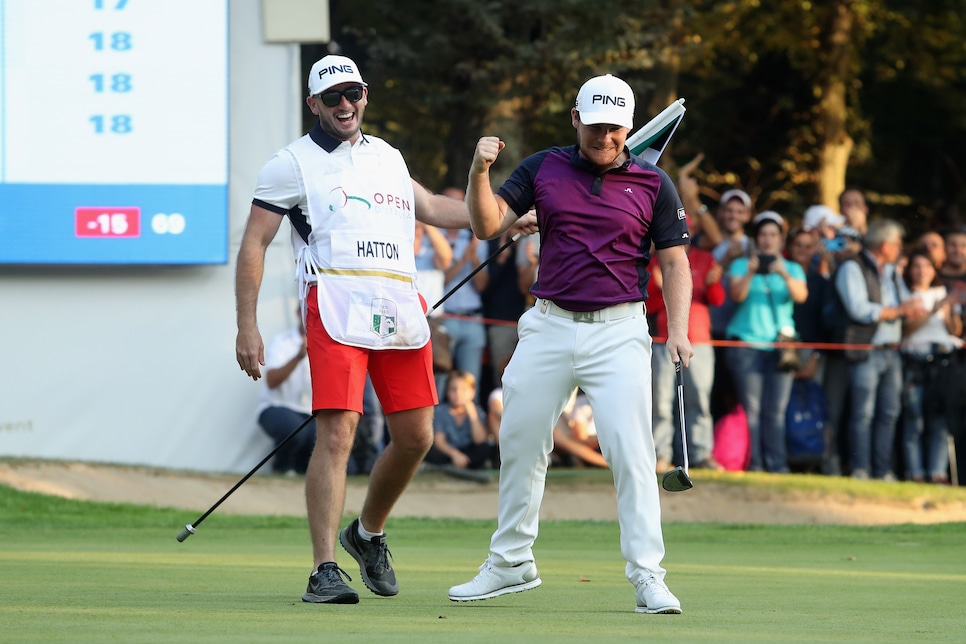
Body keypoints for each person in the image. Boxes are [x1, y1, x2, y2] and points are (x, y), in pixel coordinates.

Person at [234, 54, 536, 605]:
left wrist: (504, 217)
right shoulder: (290, 163)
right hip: (335, 302)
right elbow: (254, 243)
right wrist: (246, 326)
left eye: (352, 93)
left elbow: (435, 208)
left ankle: (366, 534)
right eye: (332, 98)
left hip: (399, 303)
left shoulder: (388, 156)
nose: (344, 104)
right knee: (339, 433)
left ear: (366, 94)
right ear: (313, 105)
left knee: (418, 437)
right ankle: (324, 569)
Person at [448, 73, 693, 614]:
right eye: (595, 126)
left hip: (620, 329)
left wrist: (678, 329)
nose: (605, 137)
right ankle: (511, 562)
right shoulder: (542, 167)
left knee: (630, 454)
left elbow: (675, 260)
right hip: (549, 322)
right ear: (575, 120)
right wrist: (478, 172)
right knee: (518, 438)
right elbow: (487, 226)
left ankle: (648, 575)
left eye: (615, 128)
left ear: (628, 128)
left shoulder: (655, 184)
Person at [833, 219, 926, 479]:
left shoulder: (892, 271)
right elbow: (860, 310)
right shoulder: (852, 267)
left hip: (892, 351)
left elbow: (903, 302)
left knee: (889, 413)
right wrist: (899, 311)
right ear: (885, 246)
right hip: (867, 350)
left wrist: (913, 307)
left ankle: (883, 470)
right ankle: (861, 468)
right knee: (863, 413)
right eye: (897, 244)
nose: (900, 249)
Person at [724, 211, 809, 473]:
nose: (768, 240)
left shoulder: (792, 268)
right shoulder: (741, 265)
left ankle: (777, 464)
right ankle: (756, 463)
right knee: (753, 409)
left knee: (776, 410)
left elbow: (801, 296)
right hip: (747, 346)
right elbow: (737, 295)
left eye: (773, 235)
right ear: (755, 238)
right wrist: (750, 273)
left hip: (780, 348)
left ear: (780, 240)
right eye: (763, 234)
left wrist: (783, 274)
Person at [648, 239, 725, 472]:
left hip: (699, 340)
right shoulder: (655, 260)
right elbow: (648, 306)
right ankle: (661, 454)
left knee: (699, 401)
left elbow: (718, 299)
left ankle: (701, 454)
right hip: (663, 339)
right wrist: (662, 289)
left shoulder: (705, 258)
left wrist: (712, 284)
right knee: (661, 403)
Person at [899, 250, 962, 483]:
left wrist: (949, 311)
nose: (922, 271)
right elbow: (906, 330)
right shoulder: (904, 294)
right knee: (914, 419)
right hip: (914, 363)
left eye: (926, 266)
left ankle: (937, 472)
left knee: (940, 419)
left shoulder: (942, 293)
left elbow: (954, 330)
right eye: (917, 266)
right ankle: (915, 472)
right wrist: (932, 311)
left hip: (942, 363)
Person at [256, 312, 315, 475]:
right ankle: (281, 469)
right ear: (298, 313)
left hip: (309, 412)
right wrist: (298, 357)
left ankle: (302, 474)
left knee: (323, 439)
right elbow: (272, 380)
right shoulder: (281, 342)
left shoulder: (325, 346)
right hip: (276, 407)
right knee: (293, 429)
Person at [424, 370, 499, 470]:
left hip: (468, 450)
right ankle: (457, 464)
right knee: (430, 452)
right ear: (447, 392)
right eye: (453, 389)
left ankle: (462, 463)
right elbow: (440, 442)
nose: (458, 394)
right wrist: (455, 454)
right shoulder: (440, 411)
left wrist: (472, 414)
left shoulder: (476, 410)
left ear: (472, 392)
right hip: (448, 451)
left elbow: (480, 440)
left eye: (463, 390)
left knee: (487, 447)